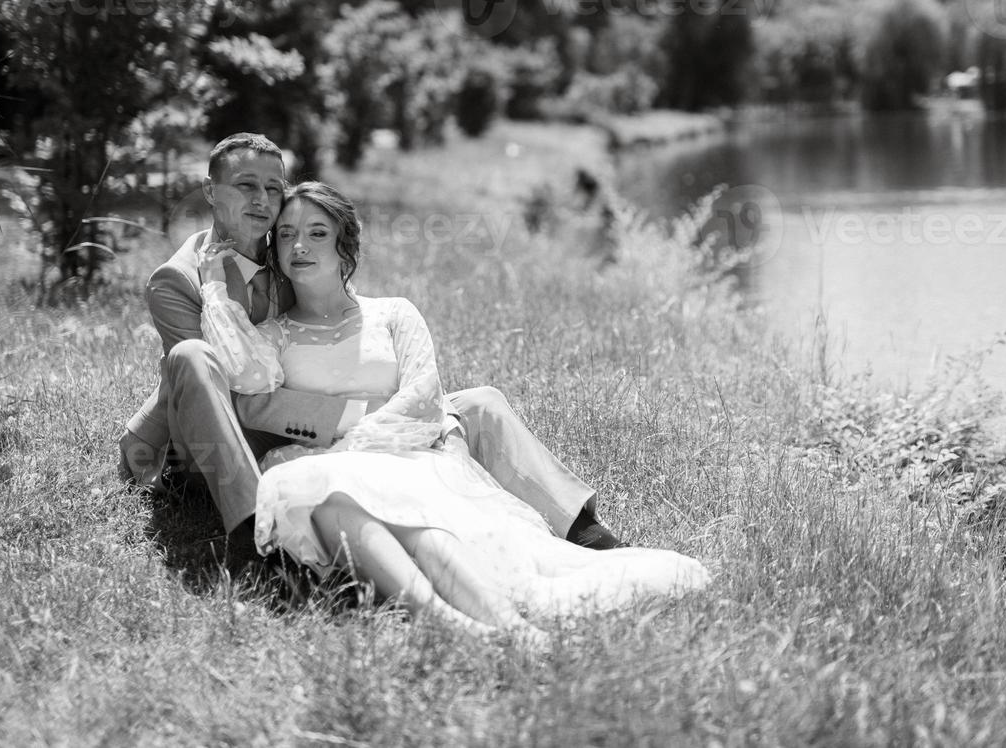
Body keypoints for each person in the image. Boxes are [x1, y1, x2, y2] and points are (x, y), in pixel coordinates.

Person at [200, 181, 708, 641]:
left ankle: (555, 570)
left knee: (439, 505)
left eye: (316, 232)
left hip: (408, 454)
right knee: (348, 497)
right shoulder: (274, 336)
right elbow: (253, 396)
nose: (299, 246)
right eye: (286, 235)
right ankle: (466, 626)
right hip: (332, 463)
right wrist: (215, 284)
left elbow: (423, 393)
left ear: (344, 245)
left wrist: (362, 436)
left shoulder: (394, 313)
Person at [118, 133, 623, 561]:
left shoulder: (283, 255)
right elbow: (228, 396)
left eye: (273, 188)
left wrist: (397, 404)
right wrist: (361, 417)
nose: (261, 201)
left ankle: (581, 525)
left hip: (301, 411)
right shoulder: (177, 280)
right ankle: (250, 531)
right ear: (210, 190)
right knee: (193, 356)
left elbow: (337, 323)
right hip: (215, 440)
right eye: (244, 186)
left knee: (478, 403)